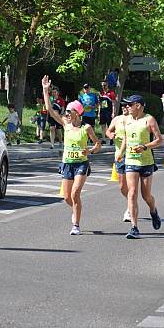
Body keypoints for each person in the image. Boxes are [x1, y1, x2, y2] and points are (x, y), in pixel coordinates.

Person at [42, 75, 101, 235]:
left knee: (75, 193)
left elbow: (98, 144)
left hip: (81, 164)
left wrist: (89, 151)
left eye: (69, 111)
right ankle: (77, 208)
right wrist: (45, 90)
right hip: (67, 163)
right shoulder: (66, 125)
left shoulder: (86, 128)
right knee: (67, 197)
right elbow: (50, 110)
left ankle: (76, 224)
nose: (66, 114)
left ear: (77, 113)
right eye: (66, 111)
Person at [116, 95, 163, 239]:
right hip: (130, 161)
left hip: (146, 162)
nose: (127, 107)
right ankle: (134, 227)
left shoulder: (149, 120)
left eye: (130, 104)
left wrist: (144, 147)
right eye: (127, 105)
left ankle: (153, 211)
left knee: (146, 195)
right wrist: (120, 152)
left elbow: (159, 140)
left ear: (139, 105)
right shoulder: (127, 120)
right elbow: (125, 138)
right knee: (132, 193)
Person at [106, 105, 131, 222]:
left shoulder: (134, 119)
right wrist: (110, 135)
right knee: (122, 186)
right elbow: (108, 130)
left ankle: (130, 208)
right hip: (119, 156)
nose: (125, 107)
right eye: (124, 105)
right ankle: (131, 200)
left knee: (132, 186)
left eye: (128, 105)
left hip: (132, 155)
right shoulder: (117, 119)